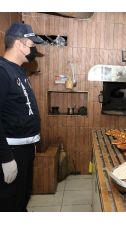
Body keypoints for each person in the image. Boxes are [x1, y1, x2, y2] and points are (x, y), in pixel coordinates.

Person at [0, 22, 43, 212]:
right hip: (10, 152)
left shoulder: (19, 70)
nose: (33, 49)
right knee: (10, 204)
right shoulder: (2, 71)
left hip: (24, 149)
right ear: (19, 44)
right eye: (31, 45)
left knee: (22, 199)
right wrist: (6, 159)